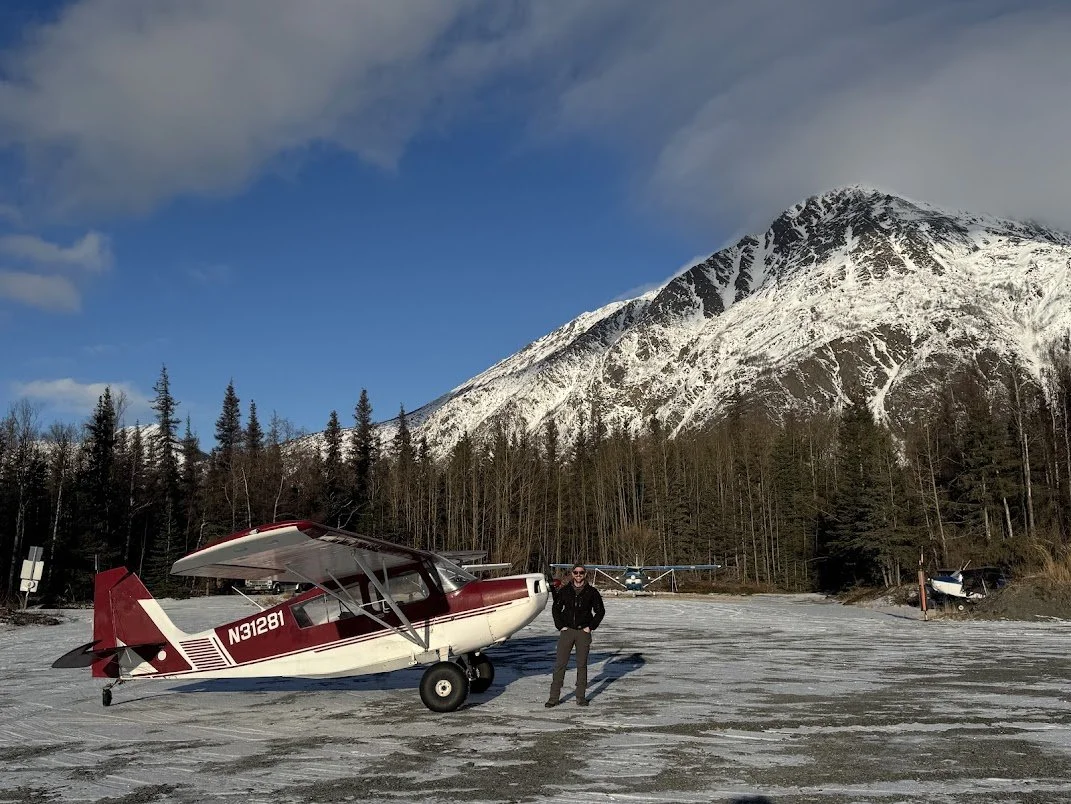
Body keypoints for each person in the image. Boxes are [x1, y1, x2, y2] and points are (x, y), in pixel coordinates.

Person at [546, 563, 605, 707]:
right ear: (572, 574)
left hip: (583, 633)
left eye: (581, 573)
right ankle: (553, 698)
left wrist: (590, 627)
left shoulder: (592, 592)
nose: (578, 575)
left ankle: (580, 697)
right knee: (560, 665)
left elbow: (600, 611)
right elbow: (556, 609)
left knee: (582, 665)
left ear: (585, 574)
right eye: (576, 573)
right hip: (567, 632)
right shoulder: (565, 591)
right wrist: (560, 626)